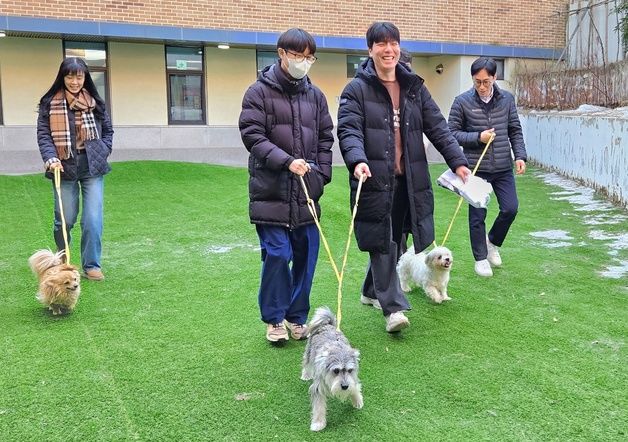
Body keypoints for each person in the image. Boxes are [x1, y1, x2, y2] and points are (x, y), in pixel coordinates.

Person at [337, 22, 470, 333]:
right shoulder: (356, 90)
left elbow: (438, 126)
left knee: (396, 242)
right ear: (370, 50)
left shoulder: (414, 88)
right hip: (373, 181)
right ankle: (393, 309)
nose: (389, 49)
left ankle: (371, 291)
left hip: (409, 182)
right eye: (381, 44)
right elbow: (348, 130)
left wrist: (458, 161)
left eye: (393, 43)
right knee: (382, 244)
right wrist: (357, 160)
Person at [239, 28, 334, 343]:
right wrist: (285, 161)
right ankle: (274, 319)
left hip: (307, 194)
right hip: (271, 192)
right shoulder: (258, 92)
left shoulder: (316, 96)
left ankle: (296, 317)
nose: (303, 63)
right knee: (278, 254)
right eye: (297, 56)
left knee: (306, 256)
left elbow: (324, 138)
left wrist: (320, 175)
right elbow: (252, 134)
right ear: (281, 53)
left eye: (309, 58)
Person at [448, 57, 527, 277]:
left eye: (486, 81)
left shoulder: (507, 100)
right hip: (476, 167)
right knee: (477, 215)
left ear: (494, 77)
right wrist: (477, 137)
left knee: (510, 209)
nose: (482, 87)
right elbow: (451, 133)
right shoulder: (462, 101)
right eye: (477, 82)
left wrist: (519, 156)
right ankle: (480, 258)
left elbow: (515, 130)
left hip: (502, 167)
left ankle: (492, 242)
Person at [37, 57, 114, 281]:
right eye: (70, 76)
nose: (74, 81)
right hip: (63, 167)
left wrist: (104, 148)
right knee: (65, 220)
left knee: (92, 218)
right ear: (63, 77)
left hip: (92, 166)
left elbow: (108, 131)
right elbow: (43, 135)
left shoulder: (95, 102)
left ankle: (91, 264)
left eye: (79, 76)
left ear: (85, 77)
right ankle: (63, 261)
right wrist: (50, 157)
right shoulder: (50, 103)